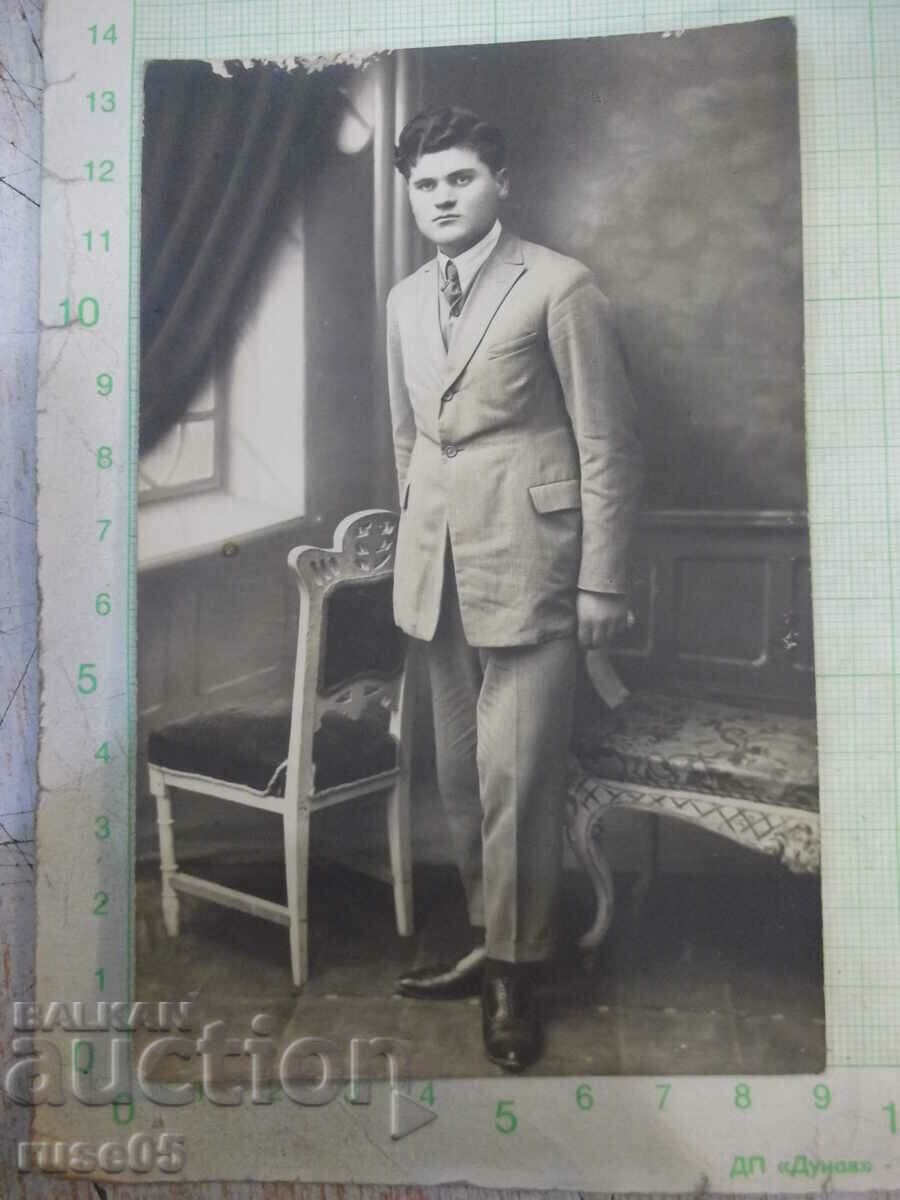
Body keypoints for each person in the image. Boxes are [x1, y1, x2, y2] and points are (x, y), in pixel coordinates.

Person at [385, 106, 642, 1071]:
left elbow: (609, 441)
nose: (442, 198)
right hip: (438, 568)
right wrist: (415, 539)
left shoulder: (560, 286)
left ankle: (516, 976)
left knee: (519, 782)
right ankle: (491, 945)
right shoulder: (406, 299)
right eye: (424, 184)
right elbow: (408, 438)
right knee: (459, 781)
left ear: (502, 183)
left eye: (460, 179)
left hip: (535, 564)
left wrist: (602, 579)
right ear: (409, 194)